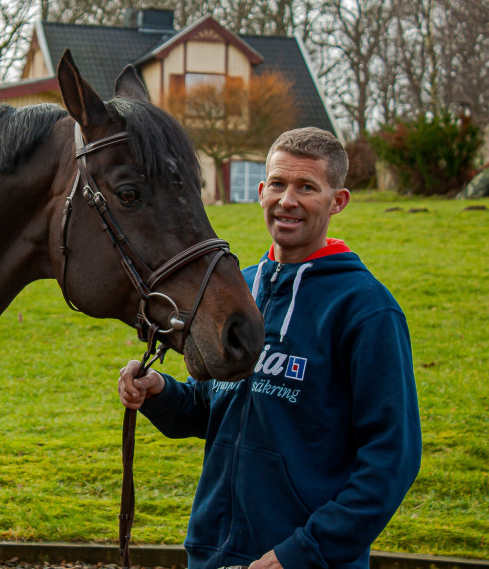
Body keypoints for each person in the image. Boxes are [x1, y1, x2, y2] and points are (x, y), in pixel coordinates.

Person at [118, 127, 421, 569]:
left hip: (303, 559)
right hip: (211, 551)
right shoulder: (238, 290)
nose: (288, 200)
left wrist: (299, 554)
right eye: (278, 184)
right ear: (261, 192)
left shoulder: (365, 310)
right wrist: (160, 391)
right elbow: (216, 407)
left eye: (307, 188)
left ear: (337, 202)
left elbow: (392, 459)